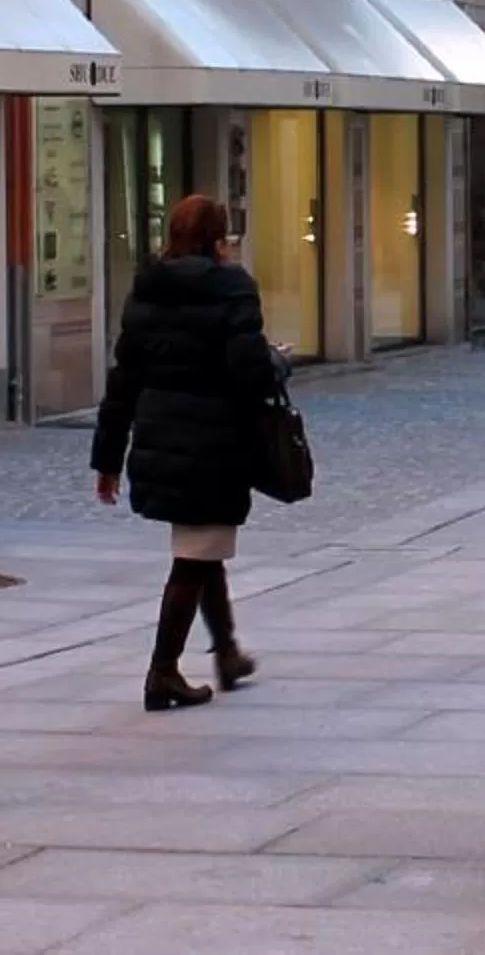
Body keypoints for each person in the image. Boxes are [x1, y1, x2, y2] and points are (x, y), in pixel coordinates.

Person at [89, 193, 283, 711]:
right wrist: (277, 363)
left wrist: (107, 459)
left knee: (203, 547)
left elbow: (122, 381)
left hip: (160, 440)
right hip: (213, 443)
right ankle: (163, 671)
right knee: (193, 559)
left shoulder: (146, 290)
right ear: (219, 239)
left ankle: (227, 653)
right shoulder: (231, 288)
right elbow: (251, 374)